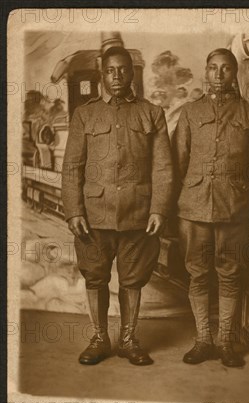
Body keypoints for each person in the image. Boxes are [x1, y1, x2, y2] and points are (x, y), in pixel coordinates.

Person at [62, 46, 174, 366]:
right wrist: (73, 211)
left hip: (138, 214)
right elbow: (72, 167)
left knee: (133, 279)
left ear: (132, 73)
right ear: (102, 74)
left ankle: (128, 339)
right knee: (95, 278)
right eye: (111, 70)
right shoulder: (85, 114)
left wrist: (159, 209)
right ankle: (100, 338)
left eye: (123, 70)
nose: (117, 76)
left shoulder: (151, 113)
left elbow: (163, 167)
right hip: (94, 216)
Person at [172, 48, 249, 368]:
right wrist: (174, 209)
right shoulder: (189, 112)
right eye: (213, 68)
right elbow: (177, 164)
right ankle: (203, 340)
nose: (218, 74)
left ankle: (225, 341)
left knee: (230, 274)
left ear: (234, 73)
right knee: (197, 274)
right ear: (205, 71)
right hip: (193, 208)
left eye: (225, 69)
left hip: (235, 208)